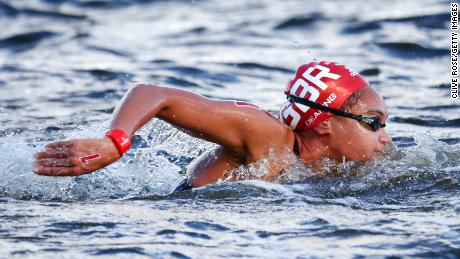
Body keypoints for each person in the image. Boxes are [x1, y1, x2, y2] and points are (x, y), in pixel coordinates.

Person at [33, 60, 392, 191]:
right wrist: (114, 141)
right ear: (325, 123)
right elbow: (155, 94)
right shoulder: (265, 135)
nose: (384, 138)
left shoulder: (333, 167)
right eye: (373, 123)